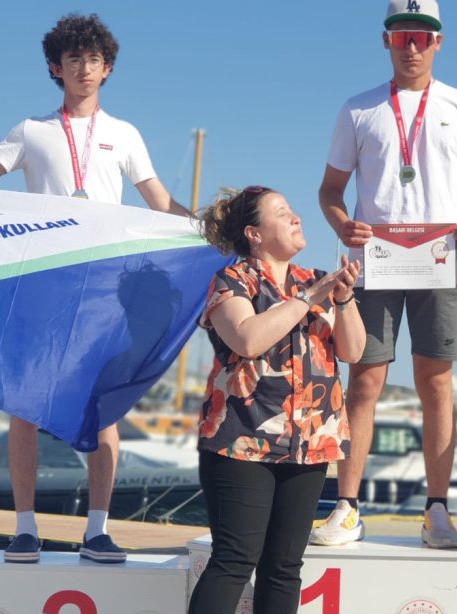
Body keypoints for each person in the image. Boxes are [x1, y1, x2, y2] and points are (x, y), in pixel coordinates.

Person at [0, 13, 191, 564]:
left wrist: (214, 230)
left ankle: (97, 529)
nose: (84, 68)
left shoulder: (125, 134)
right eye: (73, 60)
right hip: (41, 285)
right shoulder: (31, 130)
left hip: (104, 290)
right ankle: (25, 529)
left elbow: (160, 203)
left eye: (93, 60)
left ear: (107, 68)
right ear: (56, 68)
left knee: (104, 409)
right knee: (23, 407)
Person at [313, 0, 457, 549]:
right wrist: (343, 222)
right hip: (375, 260)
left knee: (436, 384)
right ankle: (346, 508)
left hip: (440, 262)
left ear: (439, 42)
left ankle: (437, 511)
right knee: (365, 382)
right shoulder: (358, 109)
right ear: (386, 41)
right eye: (403, 36)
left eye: (423, 36)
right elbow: (330, 190)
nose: (413, 46)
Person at [187, 186, 364, 614]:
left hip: (309, 444)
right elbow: (247, 339)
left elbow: (353, 351)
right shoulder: (233, 281)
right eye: (282, 212)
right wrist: (308, 300)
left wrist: (343, 298)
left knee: (284, 567)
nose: (295, 217)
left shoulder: (316, 281)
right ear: (254, 233)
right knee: (234, 559)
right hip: (241, 440)